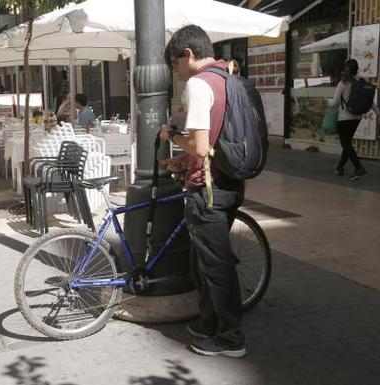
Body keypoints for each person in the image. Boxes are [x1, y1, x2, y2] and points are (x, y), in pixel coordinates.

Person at [159, 25, 246, 358]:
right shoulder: (229, 78)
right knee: (205, 262)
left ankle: (231, 338)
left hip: (207, 190)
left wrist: (172, 137)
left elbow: (198, 143)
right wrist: (184, 160)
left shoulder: (198, 84)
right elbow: (214, 142)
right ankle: (210, 321)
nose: (177, 73)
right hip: (231, 182)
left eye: (174, 65)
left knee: (216, 266)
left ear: (189, 55)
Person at [330, 59, 371, 180]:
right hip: (357, 117)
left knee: (346, 144)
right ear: (356, 69)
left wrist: (328, 103)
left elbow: (335, 102)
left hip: (344, 118)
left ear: (346, 68)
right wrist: (378, 112)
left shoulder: (343, 83)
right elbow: (369, 99)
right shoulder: (361, 82)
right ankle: (340, 167)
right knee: (347, 144)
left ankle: (358, 168)